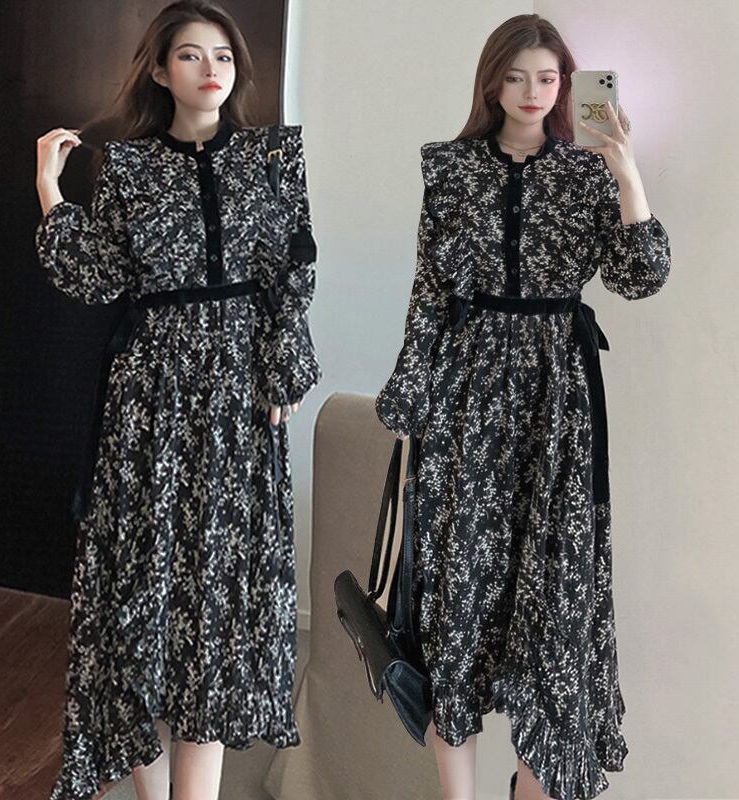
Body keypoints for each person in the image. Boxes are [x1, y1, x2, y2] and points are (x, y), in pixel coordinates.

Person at [375, 13, 671, 800]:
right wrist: (409, 408)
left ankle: (534, 789)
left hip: (556, 403)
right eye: (516, 76)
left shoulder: (586, 174)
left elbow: (642, 277)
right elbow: (429, 296)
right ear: (491, 83)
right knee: (458, 601)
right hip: (467, 397)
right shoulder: (450, 168)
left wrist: (625, 170)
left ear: (566, 86)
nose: (532, 92)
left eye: (548, 78)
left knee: (554, 599)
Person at [33, 2, 321, 799]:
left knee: (217, 613)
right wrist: (50, 190)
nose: (210, 69)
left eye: (222, 55)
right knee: (145, 606)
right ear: (160, 71)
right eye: (190, 55)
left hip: (238, 404)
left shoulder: (272, 158)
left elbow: (294, 269)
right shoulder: (128, 167)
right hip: (150, 401)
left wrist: (284, 369)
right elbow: (98, 277)